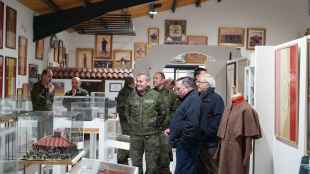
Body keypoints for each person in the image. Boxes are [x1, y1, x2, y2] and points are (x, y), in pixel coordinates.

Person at [127, 73, 167, 174]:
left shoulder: (156, 95)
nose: (138, 84)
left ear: (147, 82)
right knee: (135, 163)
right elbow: (127, 112)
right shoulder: (131, 95)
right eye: (137, 81)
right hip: (135, 136)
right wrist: (132, 124)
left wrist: (155, 125)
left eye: (141, 81)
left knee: (152, 164)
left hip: (152, 136)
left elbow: (163, 113)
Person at [165, 77, 201, 174]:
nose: (176, 92)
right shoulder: (188, 99)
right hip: (184, 144)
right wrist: (172, 129)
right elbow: (183, 121)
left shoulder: (193, 100)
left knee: (184, 170)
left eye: (178, 89)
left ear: (187, 87)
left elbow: (192, 125)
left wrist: (182, 141)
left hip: (187, 145)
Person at [196, 73, 225, 174]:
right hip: (200, 142)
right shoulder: (199, 97)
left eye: (200, 82)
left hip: (210, 143)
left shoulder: (216, 99)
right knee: (201, 169)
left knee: (212, 169)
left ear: (208, 84)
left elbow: (217, 121)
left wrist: (205, 133)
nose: (197, 84)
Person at [153, 72, 178, 174]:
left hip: (165, 130)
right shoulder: (149, 93)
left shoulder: (170, 94)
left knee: (164, 158)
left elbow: (176, 111)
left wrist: (170, 123)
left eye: (156, 78)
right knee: (153, 158)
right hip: (152, 131)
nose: (154, 80)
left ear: (163, 80)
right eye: (153, 78)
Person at [116, 76, 135, 165]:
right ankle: (125, 156)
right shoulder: (127, 92)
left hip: (126, 118)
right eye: (133, 82)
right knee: (127, 137)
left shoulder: (124, 91)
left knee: (127, 136)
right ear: (130, 83)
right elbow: (124, 107)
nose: (134, 84)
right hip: (127, 119)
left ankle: (125, 155)